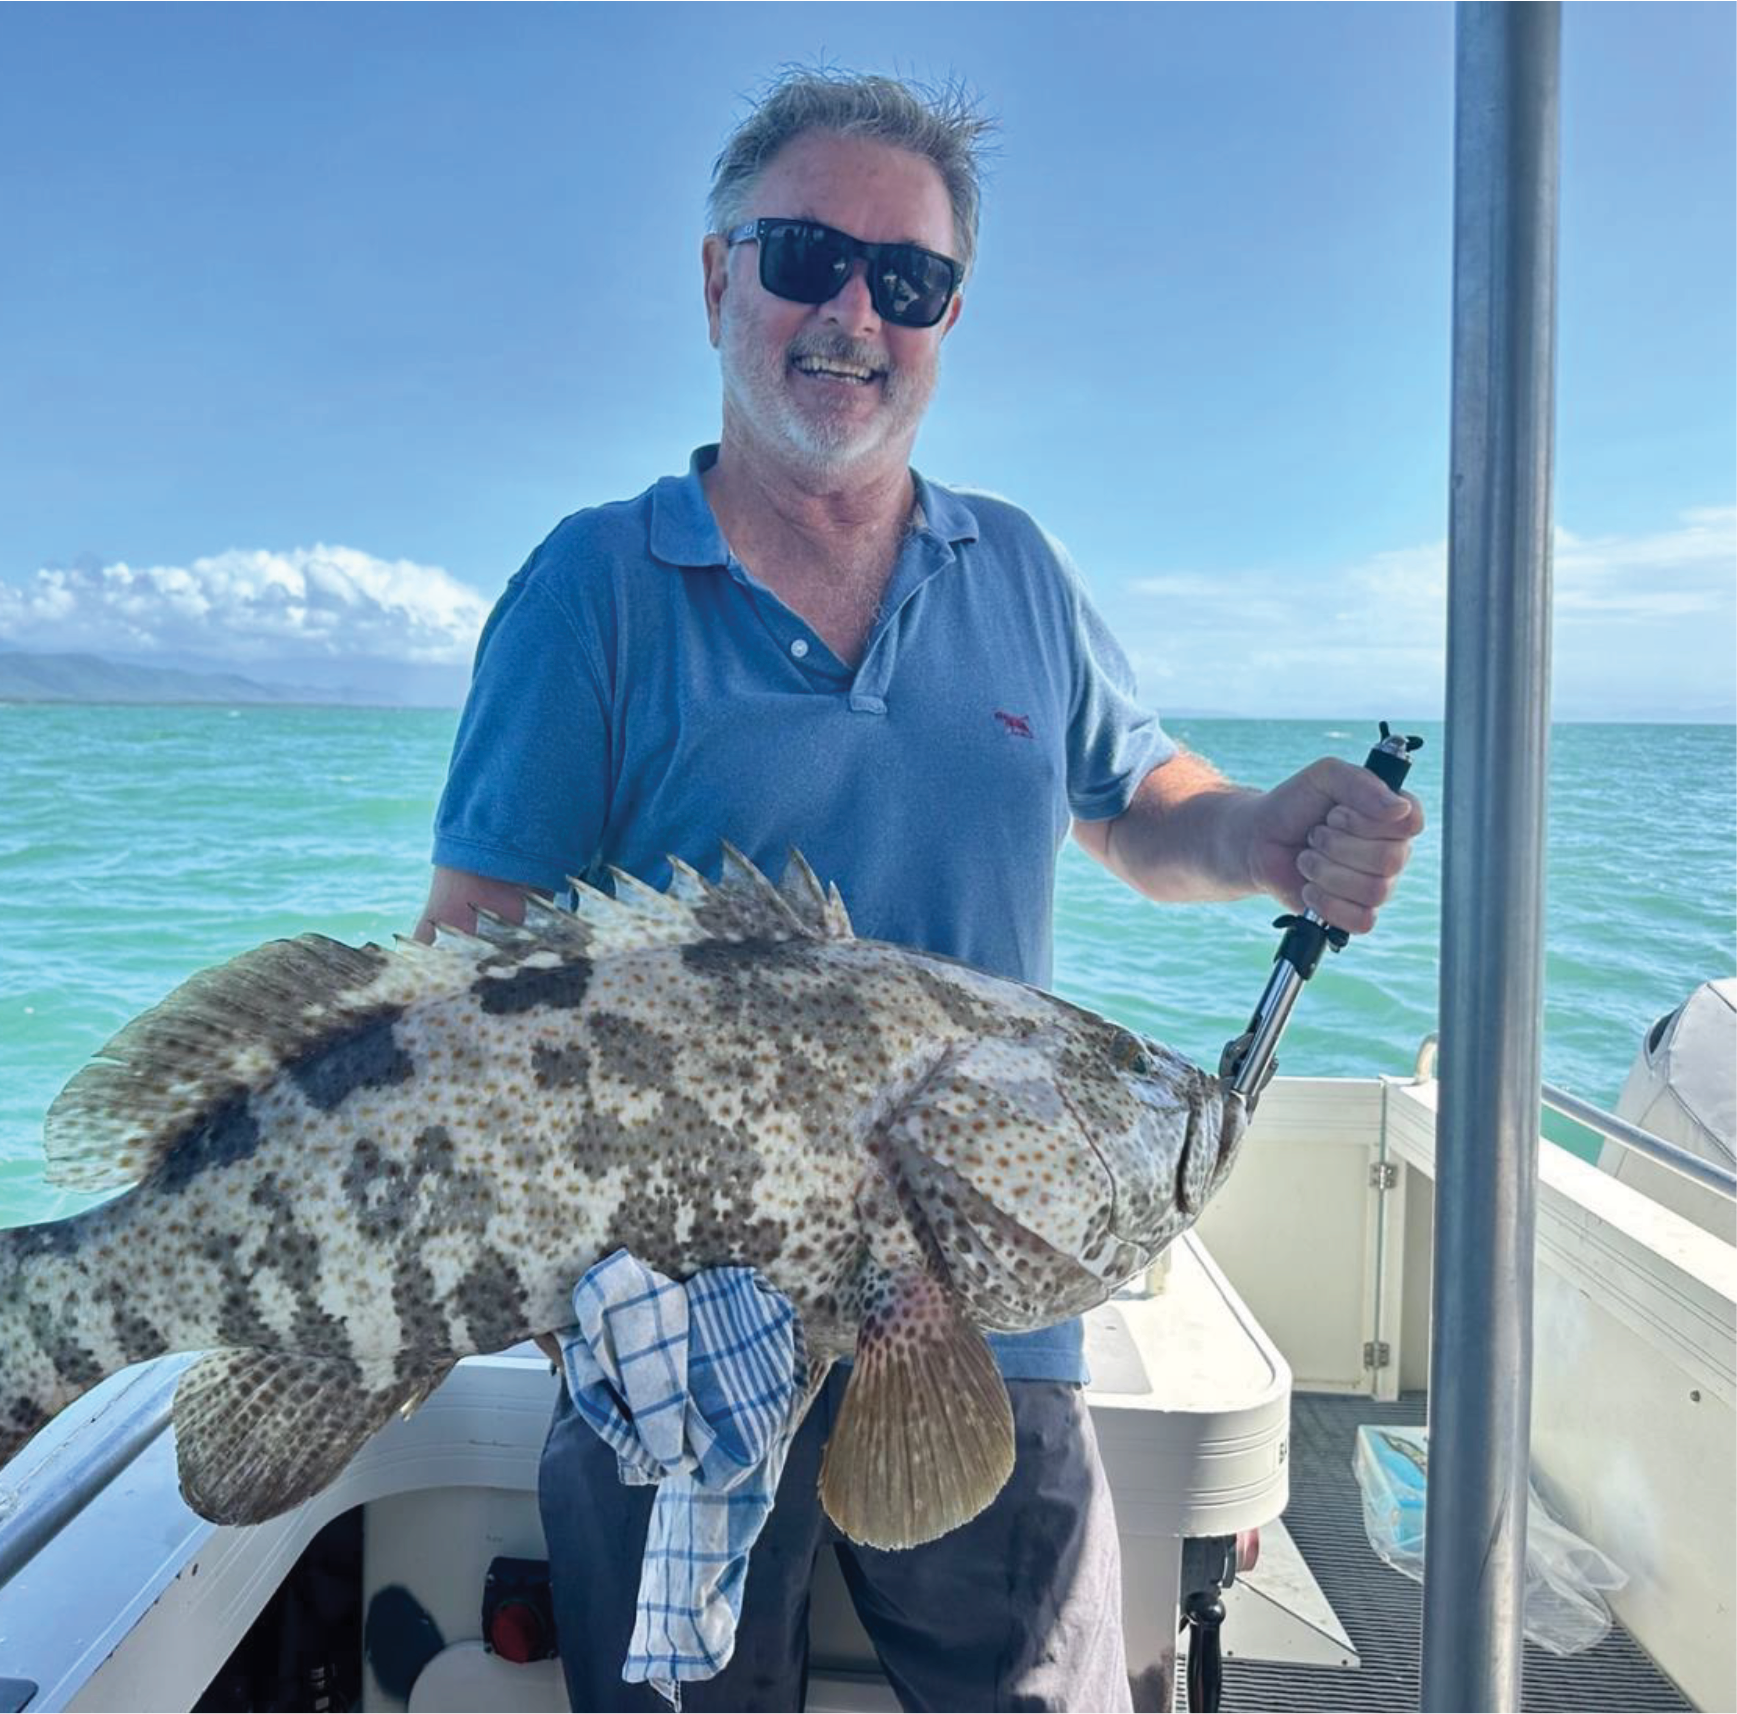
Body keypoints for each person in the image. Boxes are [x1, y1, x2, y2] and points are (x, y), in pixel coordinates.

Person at [415, 69, 1423, 1714]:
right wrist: (558, 1289)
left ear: (948, 317)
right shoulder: (590, 587)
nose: (853, 313)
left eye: (910, 280)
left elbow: (1136, 800)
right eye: (807, 254)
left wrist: (1257, 833)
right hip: (674, 1352)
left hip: (993, 1329)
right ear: (717, 275)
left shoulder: (1014, 567)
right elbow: (466, 971)